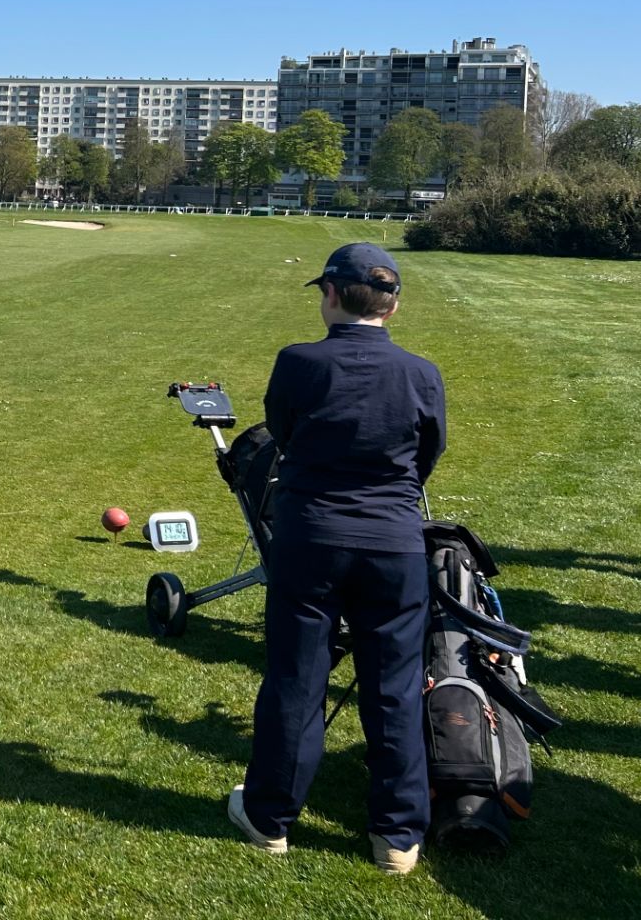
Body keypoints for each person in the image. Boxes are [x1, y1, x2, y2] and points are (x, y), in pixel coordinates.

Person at [227, 241, 447, 876]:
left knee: (297, 677)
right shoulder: (421, 373)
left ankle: (270, 817)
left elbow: (282, 433)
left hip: (312, 538)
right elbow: (427, 453)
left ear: (329, 295)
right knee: (394, 686)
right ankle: (396, 836)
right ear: (391, 306)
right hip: (394, 542)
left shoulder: (298, 362)